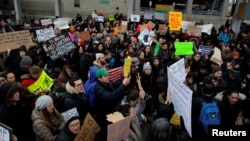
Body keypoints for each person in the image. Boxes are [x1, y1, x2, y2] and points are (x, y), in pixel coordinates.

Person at [93, 68, 131, 141]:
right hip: (104, 115)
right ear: (99, 78)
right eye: (105, 76)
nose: (108, 77)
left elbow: (115, 84)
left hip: (112, 110)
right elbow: (111, 97)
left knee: (117, 128)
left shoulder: (107, 81)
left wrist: (123, 78)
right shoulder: (98, 89)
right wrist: (123, 84)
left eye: (108, 75)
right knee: (109, 131)